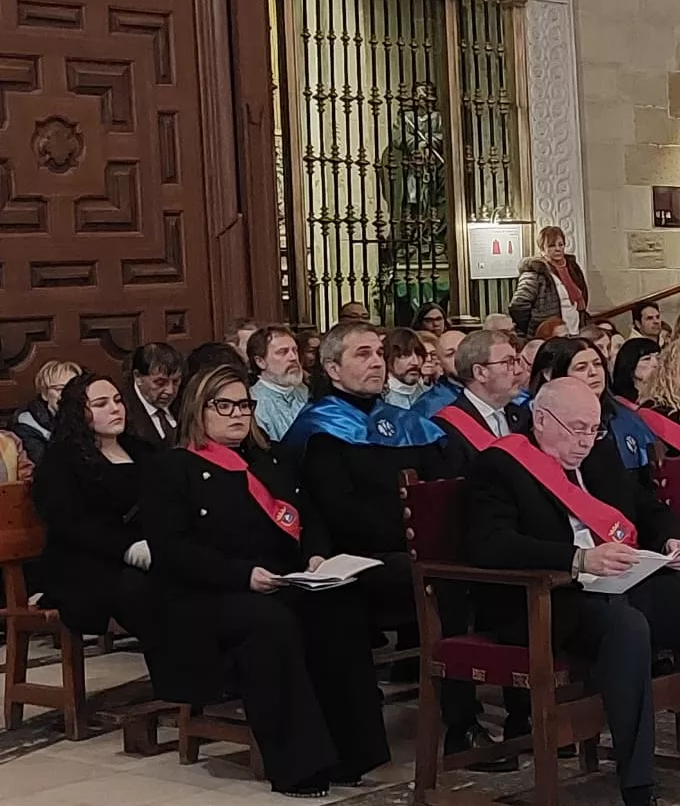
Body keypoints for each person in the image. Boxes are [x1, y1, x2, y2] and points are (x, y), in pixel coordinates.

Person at [463, 378, 680, 806]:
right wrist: (577, 559)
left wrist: (671, 541)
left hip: (623, 583)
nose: (587, 440)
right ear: (541, 420)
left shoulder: (599, 455)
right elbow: (490, 544)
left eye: (593, 429)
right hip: (553, 597)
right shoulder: (499, 465)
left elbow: (648, 508)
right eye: (576, 429)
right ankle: (639, 788)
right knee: (627, 627)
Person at [141, 364, 390, 797]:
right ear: (199, 409)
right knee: (269, 624)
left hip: (283, 578)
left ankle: (352, 752)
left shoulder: (267, 459)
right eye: (225, 405)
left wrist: (315, 554)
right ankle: (300, 764)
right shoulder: (172, 468)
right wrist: (242, 575)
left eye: (245, 404)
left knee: (340, 609)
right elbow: (174, 549)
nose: (238, 414)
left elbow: (309, 515)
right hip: (210, 592)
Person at [281, 322, 505, 770]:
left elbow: (449, 486)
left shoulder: (408, 424)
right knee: (447, 583)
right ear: (332, 368)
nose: (377, 362)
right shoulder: (321, 430)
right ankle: (461, 726)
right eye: (362, 354)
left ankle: (522, 715)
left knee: (493, 573)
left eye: (379, 353)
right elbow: (337, 512)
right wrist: (414, 540)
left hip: (416, 552)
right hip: (356, 559)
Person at [31, 374, 163, 669]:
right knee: (144, 590)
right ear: (79, 412)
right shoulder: (61, 462)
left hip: (150, 554)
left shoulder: (142, 451)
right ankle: (179, 680)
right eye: (101, 404)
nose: (115, 409)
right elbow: (73, 524)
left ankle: (209, 670)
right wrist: (127, 548)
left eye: (117, 401)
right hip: (87, 567)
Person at [533, 337, 658, 476]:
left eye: (597, 364)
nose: (593, 372)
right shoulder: (548, 425)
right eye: (581, 367)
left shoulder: (625, 415)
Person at [430, 329, 531, 473]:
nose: (519, 370)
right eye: (508, 362)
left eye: (516, 361)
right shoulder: (446, 429)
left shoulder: (523, 416)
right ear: (480, 373)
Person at [508, 226, 590, 335]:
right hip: (549, 334)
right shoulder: (535, 272)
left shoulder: (572, 268)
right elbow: (518, 305)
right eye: (551, 246)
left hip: (574, 329)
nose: (557, 249)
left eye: (561, 245)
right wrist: (532, 328)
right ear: (542, 249)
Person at [12, 359, 81, 465]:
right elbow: (46, 465)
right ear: (45, 393)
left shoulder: (89, 416)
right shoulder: (27, 424)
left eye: (73, 388)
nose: (67, 394)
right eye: (60, 389)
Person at [248, 324, 310, 442]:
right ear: (260, 362)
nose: (293, 357)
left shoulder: (307, 391)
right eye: (283, 352)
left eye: (294, 350)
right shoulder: (254, 404)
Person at [122, 342, 184, 448]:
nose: (170, 390)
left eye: (175, 382)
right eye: (160, 383)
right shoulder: (123, 413)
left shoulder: (186, 400)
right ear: (138, 377)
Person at [411, 329, 469, 417]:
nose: (460, 357)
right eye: (451, 354)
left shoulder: (493, 389)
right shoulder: (428, 406)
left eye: (465, 350)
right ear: (439, 363)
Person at [381, 327, 429, 409]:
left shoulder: (430, 394)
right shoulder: (379, 399)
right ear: (388, 358)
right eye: (405, 355)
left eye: (418, 354)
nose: (415, 362)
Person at [612, 337, 661, 403]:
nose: (655, 364)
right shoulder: (621, 402)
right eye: (646, 359)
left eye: (658, 358)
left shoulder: (665, 397)